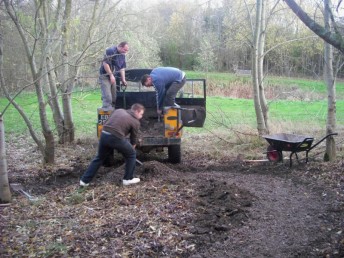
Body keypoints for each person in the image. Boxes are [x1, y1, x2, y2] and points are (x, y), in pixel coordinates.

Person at [80, 103, 145, 186]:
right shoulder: (135, 122)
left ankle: (84, 181)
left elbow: (107, 121)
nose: (141, 116)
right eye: (141, 114)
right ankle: (128, 179)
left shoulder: (119, 110)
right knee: (132, 154)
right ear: (136, 111)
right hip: (116, 137)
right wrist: (132, 148)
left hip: (104, 134)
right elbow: (133, 138)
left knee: (99, 157)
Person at [99, 41, 129, 110]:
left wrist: (123, 79)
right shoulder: (110, 51)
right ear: (120, 46)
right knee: (107, 97)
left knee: (114, 97)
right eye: (125, 50)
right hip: (105, 76)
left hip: (113, 76)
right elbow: (105, 64)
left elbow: (122, 68)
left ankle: (113, 112)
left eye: (127, 50)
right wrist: (111, 75)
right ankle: (106, 112)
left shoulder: (122, 55)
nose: (125, 52)